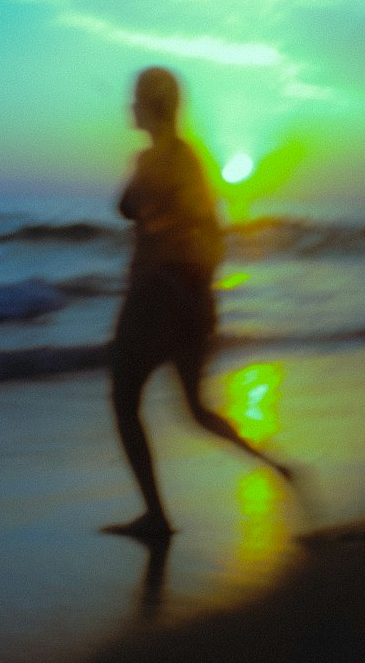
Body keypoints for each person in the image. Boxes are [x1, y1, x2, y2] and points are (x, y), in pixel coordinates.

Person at [103, 67, 291, 540]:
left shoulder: (161, 161)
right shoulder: (185, 159)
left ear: (151, 106)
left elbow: (127, 207)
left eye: (136, 100)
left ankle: (156, 516)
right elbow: (201, 231)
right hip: (188, 300)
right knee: (196, 411)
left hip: (155, 296)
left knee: (125, 400)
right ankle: (274, 466)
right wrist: (201, 301)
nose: (129, 107)